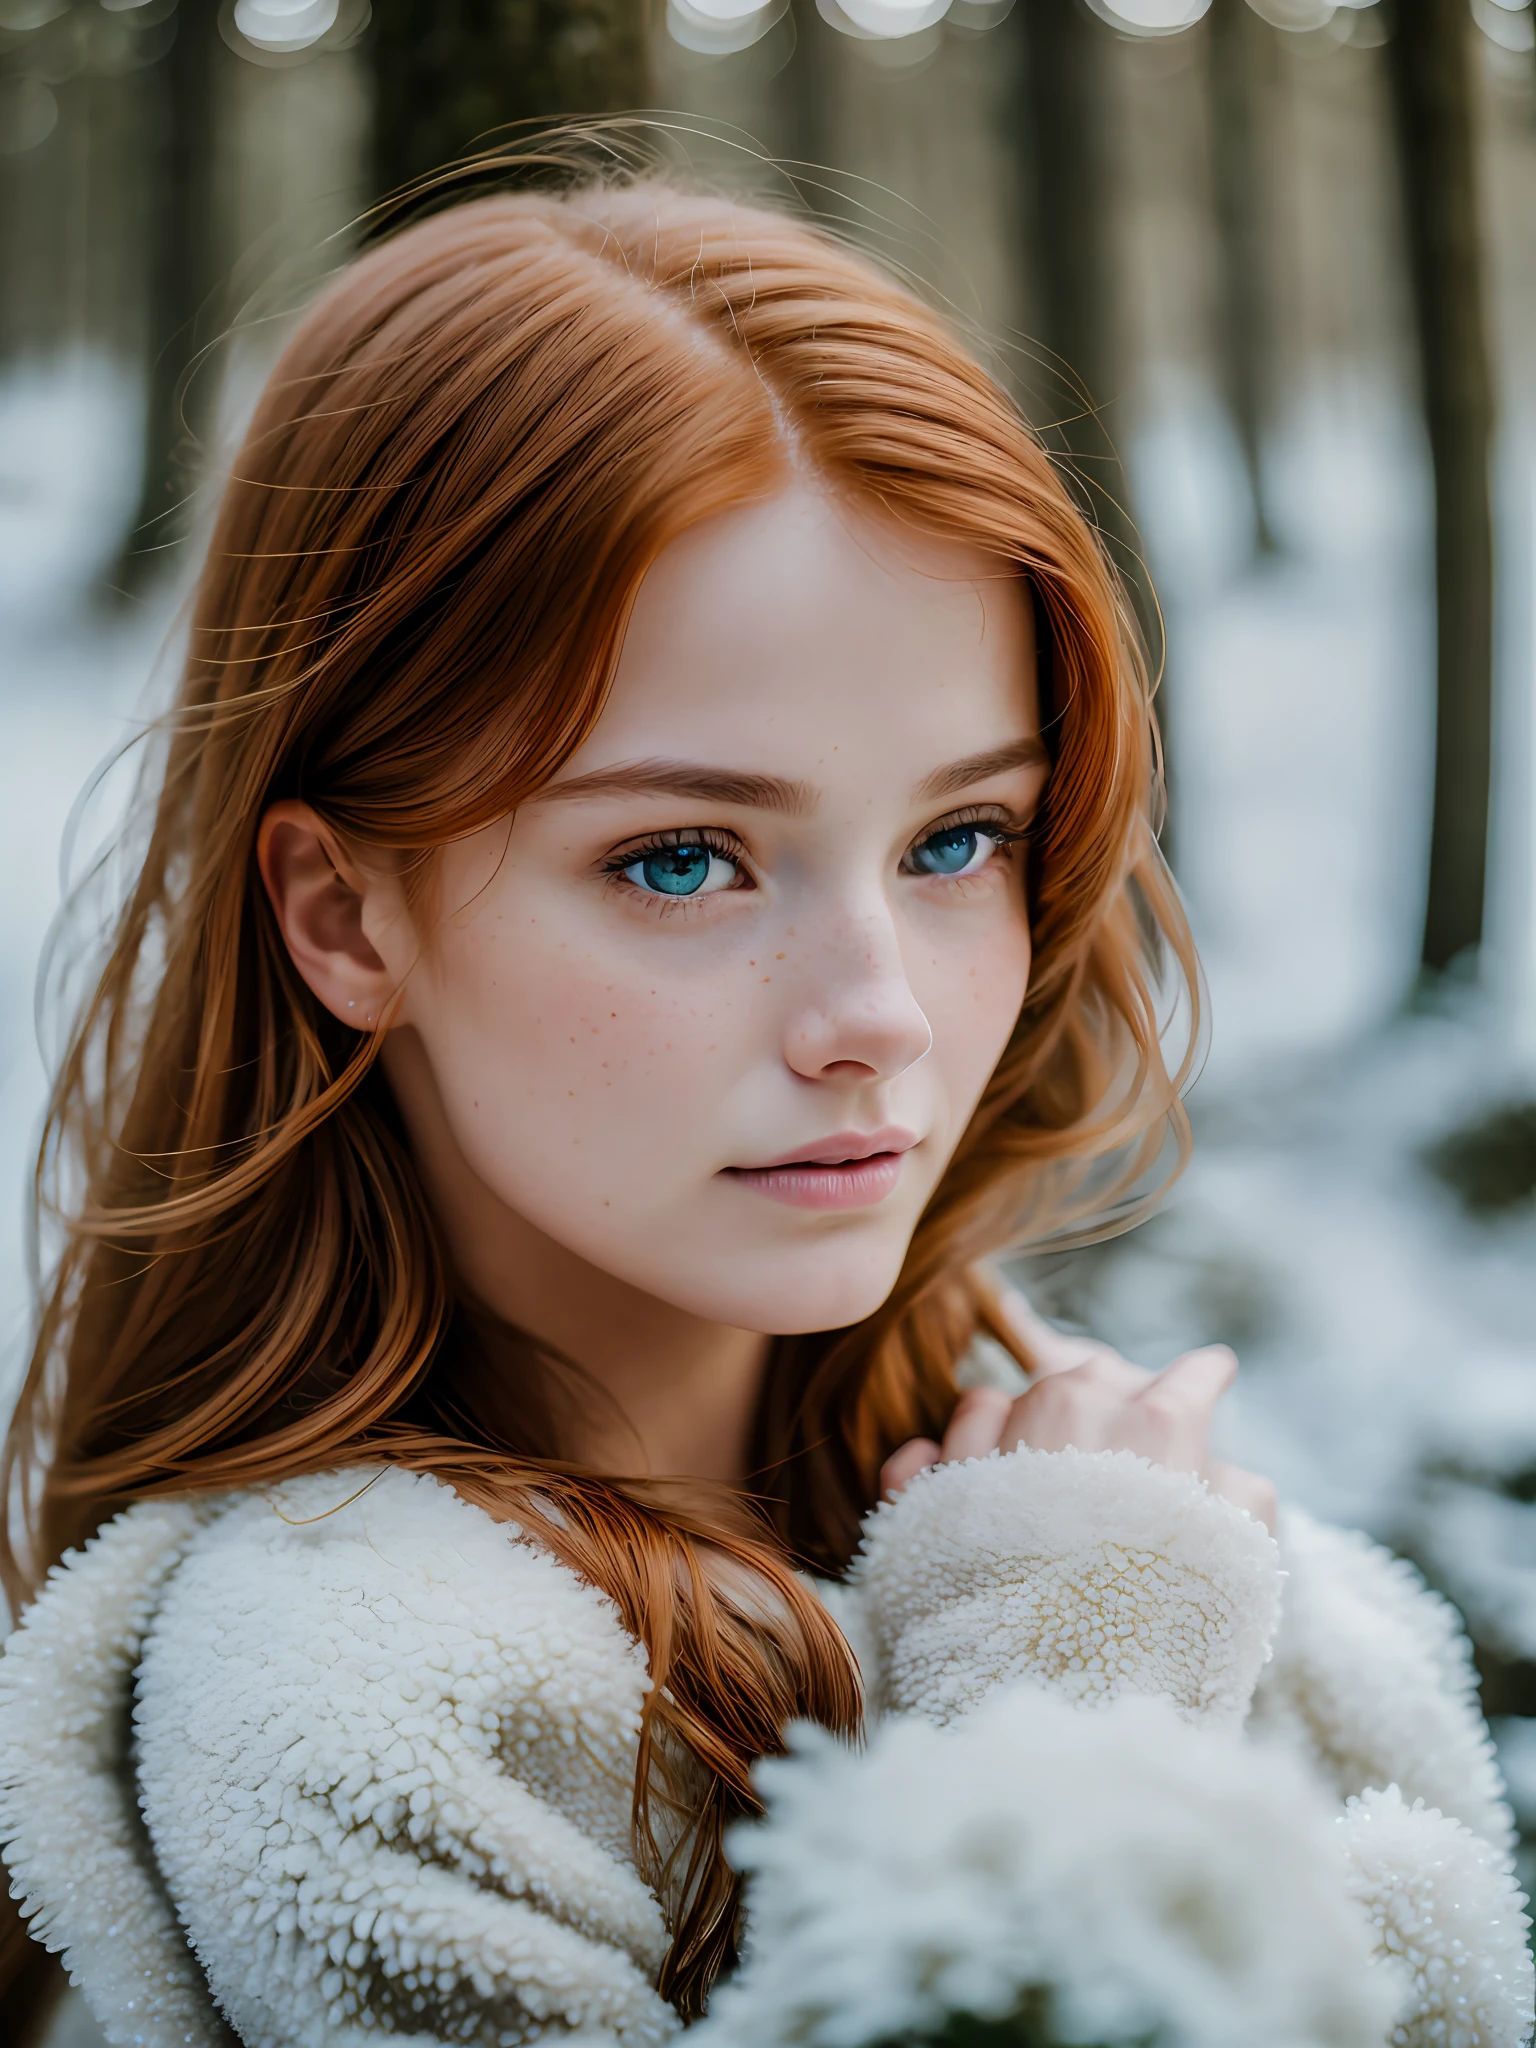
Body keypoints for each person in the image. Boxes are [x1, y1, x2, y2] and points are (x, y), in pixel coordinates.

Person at [0, 166, 1523, 2048]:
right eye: (683, 861)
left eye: (959, 836)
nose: (877, 1014)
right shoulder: (343, 1706)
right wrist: (1063, 1757)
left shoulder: (1075, 1494)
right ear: (343, 912)